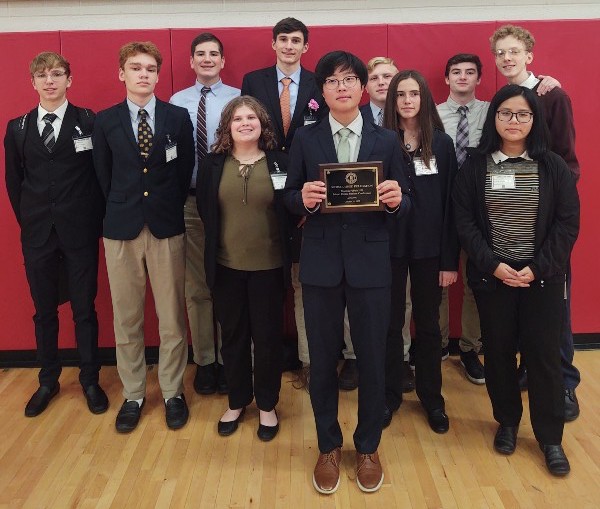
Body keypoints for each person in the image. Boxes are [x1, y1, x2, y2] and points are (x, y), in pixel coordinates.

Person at [283, 50, 408, 494]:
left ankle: (369, 445)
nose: (342, 87)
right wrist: (303, 198)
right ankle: (328, 446)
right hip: (319, 263)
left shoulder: (387, 140)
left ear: (363, 87)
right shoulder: (304, 138)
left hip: (371, 264)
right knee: (321, 361)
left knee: (373, 357)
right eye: (333, 81)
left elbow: (405, 200)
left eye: (349, 79)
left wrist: (396, 200)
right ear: (322, 91)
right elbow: (288, 197)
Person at [453, 84, 579, 476]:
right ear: (494, 119)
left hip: (541, 280)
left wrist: (538, 267)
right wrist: (492, 264)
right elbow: (465, 222)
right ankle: (507, 422)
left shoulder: (553, 165)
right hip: (494, 280)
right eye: (506, 113)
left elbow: (567, 223)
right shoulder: (475, 165)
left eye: (523, 114)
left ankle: (550, 438)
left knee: (543, 360)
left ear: (534, 120)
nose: (514, 121)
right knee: (500, 356)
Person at [241, 18, 359, 390]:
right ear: (273, 43)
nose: (289, 46)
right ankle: (269, 360)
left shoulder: (318, 81)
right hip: (263, 183)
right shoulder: (253, 80)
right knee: (268, 279)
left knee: (306, 279)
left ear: (305, 46)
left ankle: (313, 361)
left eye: (296, 40)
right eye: (283, 39)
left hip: (310, 185)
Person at [93, 41, 195, 433]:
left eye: (151, 68)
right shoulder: (105, 121)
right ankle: (133, 393)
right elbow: (102, 176)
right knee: (128, 318)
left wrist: (160, 207)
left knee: (171, 317)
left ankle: (172, 391)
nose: (143, 74)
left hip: (166, 227)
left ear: (157, 74)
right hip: (120, 229)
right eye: (135, 68)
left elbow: (184, 167)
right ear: (122, 73)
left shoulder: (177, 117)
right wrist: (125, 205)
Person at [4, 51, 107, 417]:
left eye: (58, 74)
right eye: (43, 75)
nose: (50, 81)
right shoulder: (17, 128)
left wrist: (90, 222)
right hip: (37, 235)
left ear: (69, 80)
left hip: (79, 233)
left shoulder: (89, 122)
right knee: (44, 311)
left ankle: (90, 379)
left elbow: (99, 179)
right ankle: (48, 379)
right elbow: (15, 184)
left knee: (84, 309)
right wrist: (33, 220)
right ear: (32, 82)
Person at [490, 24, 581, 421]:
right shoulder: (502, 99)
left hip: (545, 219)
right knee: (521, 306)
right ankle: (532, 371)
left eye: (514, 51)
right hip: (510, 218)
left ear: (529, 54)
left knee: (553, 305)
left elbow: (566, 161)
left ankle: (564, 383)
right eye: (500, 53)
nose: (507, 58)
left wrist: (547, 202)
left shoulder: (552, 95)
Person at [196, 96, 290, 442]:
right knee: (233, 338)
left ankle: (267, 404)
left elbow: (289, 209)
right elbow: (207, 211)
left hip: (269, 267)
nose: (245, 123)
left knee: (267, 339)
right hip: (227, 267)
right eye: (238, 119)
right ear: (228, 126)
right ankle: (237, 401)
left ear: (262, 123)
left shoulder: (280, 162)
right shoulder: (213, 164)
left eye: (252, 117)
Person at [382, 70, 459, 432]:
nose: (408, 100)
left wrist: (448, 260)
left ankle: (432, 399)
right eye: (401, 94)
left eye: (414, 93)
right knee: (390, 324)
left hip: (430, 251)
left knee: (428, 326)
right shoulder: (380, 142)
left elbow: (450, 207)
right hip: (389, 250)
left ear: (424, 98)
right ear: (391, 100)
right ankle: (390, 393)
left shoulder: (441, 144)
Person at [170, 32, 240, 396]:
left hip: (229, 200)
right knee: (197, 285)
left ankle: (230, 360)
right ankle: (206, 361)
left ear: (223, 61)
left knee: (227, 282)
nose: (208, 59)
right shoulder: (176, 101)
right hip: (190, 202)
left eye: (214, 54)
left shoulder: (238, 99)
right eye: (201, 54)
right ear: (191, 62)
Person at [360, 56, 416, 393]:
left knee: (401, 300)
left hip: (401, 221)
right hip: (363, 225)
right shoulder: (353, 117)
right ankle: (356, 358)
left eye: (389, 76)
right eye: (376, 77)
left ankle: (402, 359)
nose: (383, 82)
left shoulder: (410, 119)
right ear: (365, 86)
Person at [436, 54, 487, 385]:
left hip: (478, 207)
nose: (463, 77)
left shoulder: (493, 110)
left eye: (470, 72)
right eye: (456, 72)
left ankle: (470, 348)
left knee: (474, 281)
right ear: (447, 79)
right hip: (440, 205)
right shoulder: (433, 115)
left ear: (479, 79)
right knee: (438, 278)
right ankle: (437, 344)